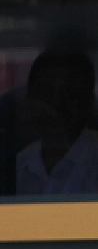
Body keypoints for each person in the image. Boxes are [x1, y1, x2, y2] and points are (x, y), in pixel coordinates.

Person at [16, 50, 98, 196]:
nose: (56, 105)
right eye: (46, 94)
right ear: (29, 101)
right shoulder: (19, 165)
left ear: (89, 103)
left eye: (70, 95)